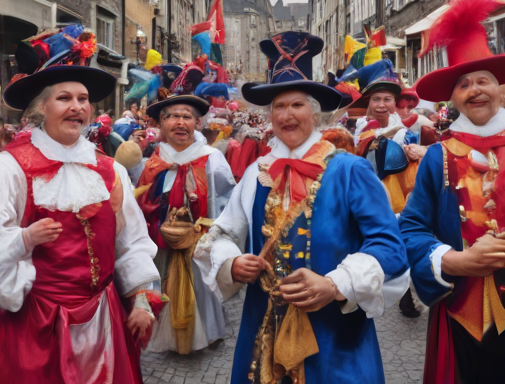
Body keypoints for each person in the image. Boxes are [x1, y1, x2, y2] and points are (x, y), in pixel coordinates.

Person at [195, 32, 410, 384]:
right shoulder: (256, 173)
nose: (287, 114)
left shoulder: (349, 170)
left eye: (297, 105)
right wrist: (231, 261)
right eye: (279, 106)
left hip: (335, 336)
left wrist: (334, 283)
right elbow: (222, 233)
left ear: (315, 112)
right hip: (263, 331)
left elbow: (389, 247)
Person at [0, 64, 161, 384]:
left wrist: (142, 299)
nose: (78, 106)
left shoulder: (108, 169)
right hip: (38, 323)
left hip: (104, 317)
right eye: (64, 98)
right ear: (41, 109)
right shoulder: (12, 166)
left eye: (84, 99)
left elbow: (132, 241)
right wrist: (24, 239)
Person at [399, 0, 505, 384]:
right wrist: (454, 261)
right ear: (454, 100)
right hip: (464, 311)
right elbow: (411, 229)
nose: (475, 90)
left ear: (503, 89)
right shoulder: (438, 156)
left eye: (483, 80)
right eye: (464, 85)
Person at [136, 94, 236, 354]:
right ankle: (163, 332)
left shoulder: (211, 158)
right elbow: (142, 197)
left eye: (186, 117)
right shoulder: (154, 159)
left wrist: (214, 233)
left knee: (200, 284)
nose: (180, 123)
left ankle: (206, 331)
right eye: (172, 116)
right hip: (162, 239)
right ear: (161, 123)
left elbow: (226, 198)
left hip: (199, 239)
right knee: (164, 280)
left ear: (198, 123)